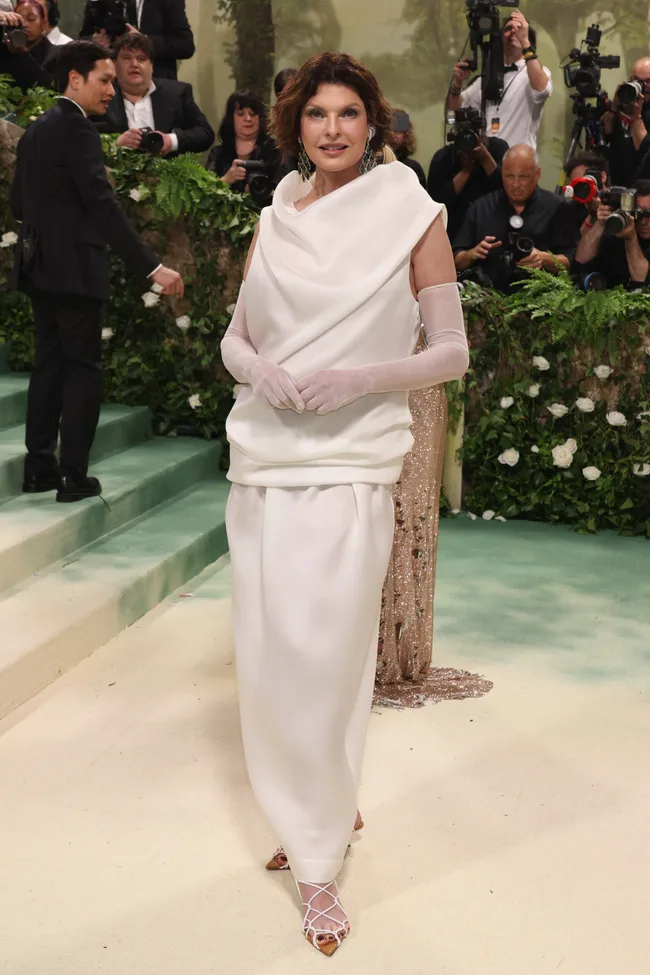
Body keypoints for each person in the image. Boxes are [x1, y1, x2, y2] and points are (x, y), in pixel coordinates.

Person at [220, 51, 469, 955]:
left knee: (327, 652)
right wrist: (261, 369)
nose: (332, 129)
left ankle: (318, 859)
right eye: (317, 114)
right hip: (264, 460)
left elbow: (450, 350)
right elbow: (235, 336)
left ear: (374, 125)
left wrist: (357, 378)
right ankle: (313, 806)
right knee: (270, 651)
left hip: (352, 461)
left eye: (349, 114)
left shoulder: (413, 210)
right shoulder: (276, 214)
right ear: (298, 125)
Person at [10, 40, 183, 503]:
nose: (112, 90)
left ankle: (38, 469)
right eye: (104, 80)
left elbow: (17, 205)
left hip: (38, 268)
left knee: (48, 366)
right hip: (76, 270)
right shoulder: (77, 130)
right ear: (75, 78)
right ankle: (72, 476)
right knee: (83, 370)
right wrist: (153, 267)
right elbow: (103, 207)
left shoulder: (36, 130)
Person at [453, 144, 578, 290]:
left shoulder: (557, 207)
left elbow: (572, 262)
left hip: (543, 302)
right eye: (509, 176)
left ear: (537, 175)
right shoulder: (481, 207)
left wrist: (545, 259)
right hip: (488, 301)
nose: (516, 184)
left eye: (523, 177)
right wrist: (471, 254)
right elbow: (456, 260)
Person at [91, 32, 214, 156]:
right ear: (114, 64)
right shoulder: (99, 95)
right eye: (127, 58)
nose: (134, 64)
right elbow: (81, 138)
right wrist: (116, 143)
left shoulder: (176, 93)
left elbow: (205, 133)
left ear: (152, 66)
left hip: (166, 173)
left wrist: (170, 141)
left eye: (141, 59)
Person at [446, 10, 551, 151]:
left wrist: (525, 41)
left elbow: (541, 91)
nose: (514, 32)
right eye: (508, 29)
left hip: (518, 162)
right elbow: (452, 112)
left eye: (519, 29)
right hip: (487, 162)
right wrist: (457, 84)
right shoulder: (487, 77)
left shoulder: (534, 73)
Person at [427, 110, 508, 242]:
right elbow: (437, 201)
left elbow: (508, 189)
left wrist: (485, 158)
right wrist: (467, 169)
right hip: (455, 229)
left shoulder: (497, 149)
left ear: (484, 136)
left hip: (492, 224)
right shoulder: (444, 157)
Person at [80, 0, 194, 80]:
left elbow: (185, 45)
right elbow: (83, 39)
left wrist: (144, 41)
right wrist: (95, 42)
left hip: (155, 85)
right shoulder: (98, 3)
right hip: (112, 87)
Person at [573, 178, 650, 290]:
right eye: (639, 214)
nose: (644, 222)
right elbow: (580, 260)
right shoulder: (617, 229)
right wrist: (601, 223)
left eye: (649, 214)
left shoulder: (630, 234)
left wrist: (631, 238)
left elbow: (642, 281)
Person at [205, 89, 279, 198]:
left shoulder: (275, 149)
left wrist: (263, 192)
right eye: (240, 114)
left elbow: (285, 189)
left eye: (253, 114)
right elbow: (204, 192)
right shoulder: (218, 153)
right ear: (231, 118)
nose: (248, 119)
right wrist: (226, 180)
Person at [602, 57, 650, 187]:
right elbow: (607, 134)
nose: (643, 87)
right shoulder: (625, 103)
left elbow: (645, 150)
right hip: (618, 186)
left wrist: (636, 116)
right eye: (637, 81)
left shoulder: (639, 112)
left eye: (648, 81)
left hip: (644, 191)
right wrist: (614, 107)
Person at [0, 0, 56, 90]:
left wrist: (22, 54)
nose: (25, 25)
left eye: (31, 19)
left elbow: (47, 88)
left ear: (43, 23)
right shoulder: (5, 51)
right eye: (19, 21)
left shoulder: (57, 54)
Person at [563, 150, 610, 238]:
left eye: (585, 181)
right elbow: (574, 244)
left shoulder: (619, 199)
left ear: (602, 177)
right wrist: (592, 215)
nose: (582, 187)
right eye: (577, 185)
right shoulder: (572, 209)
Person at [388, 108, 426, 188]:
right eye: (391, 130)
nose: (394, 135)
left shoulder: (413, 168)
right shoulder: (374, 165)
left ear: (406, 134)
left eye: (398, 131)